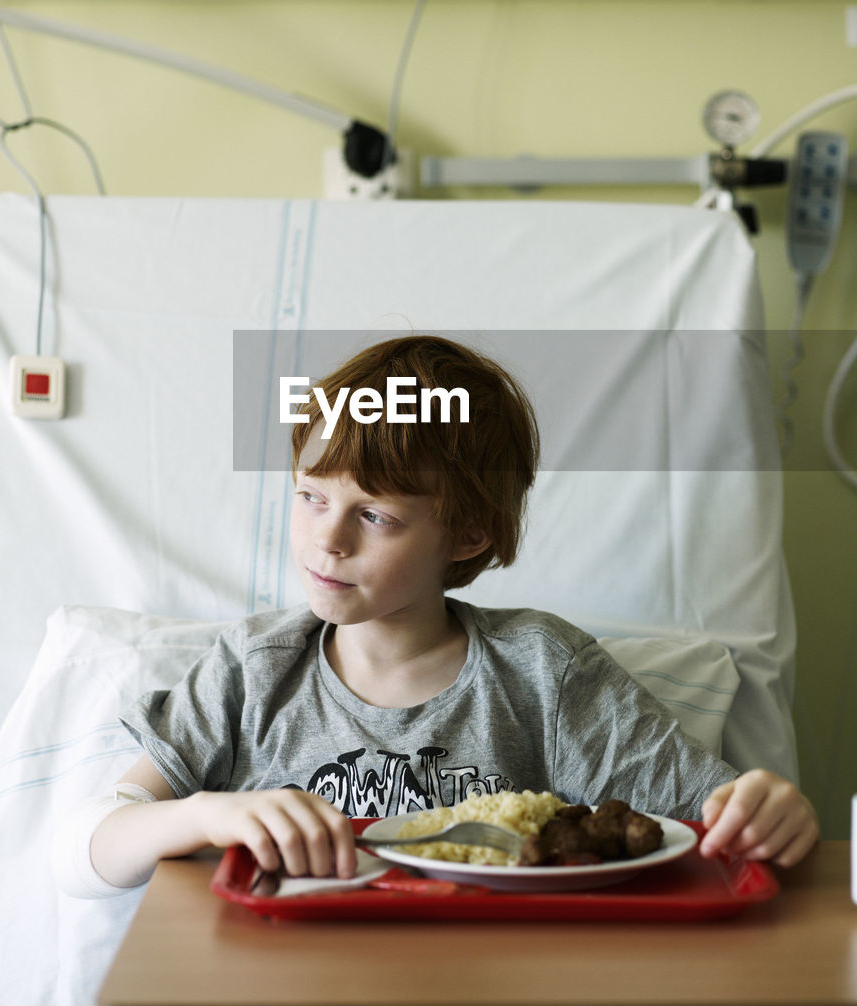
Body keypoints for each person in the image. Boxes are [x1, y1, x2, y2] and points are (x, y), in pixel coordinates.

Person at [53, 335, 818, 898]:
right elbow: (82, 856)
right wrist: (208, 815)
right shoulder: (253, 671)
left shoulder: (543, 675)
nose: (328, 537)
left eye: (377, 516)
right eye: (311, 495)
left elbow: (712, 828)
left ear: (469, 533)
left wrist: (765, 811)